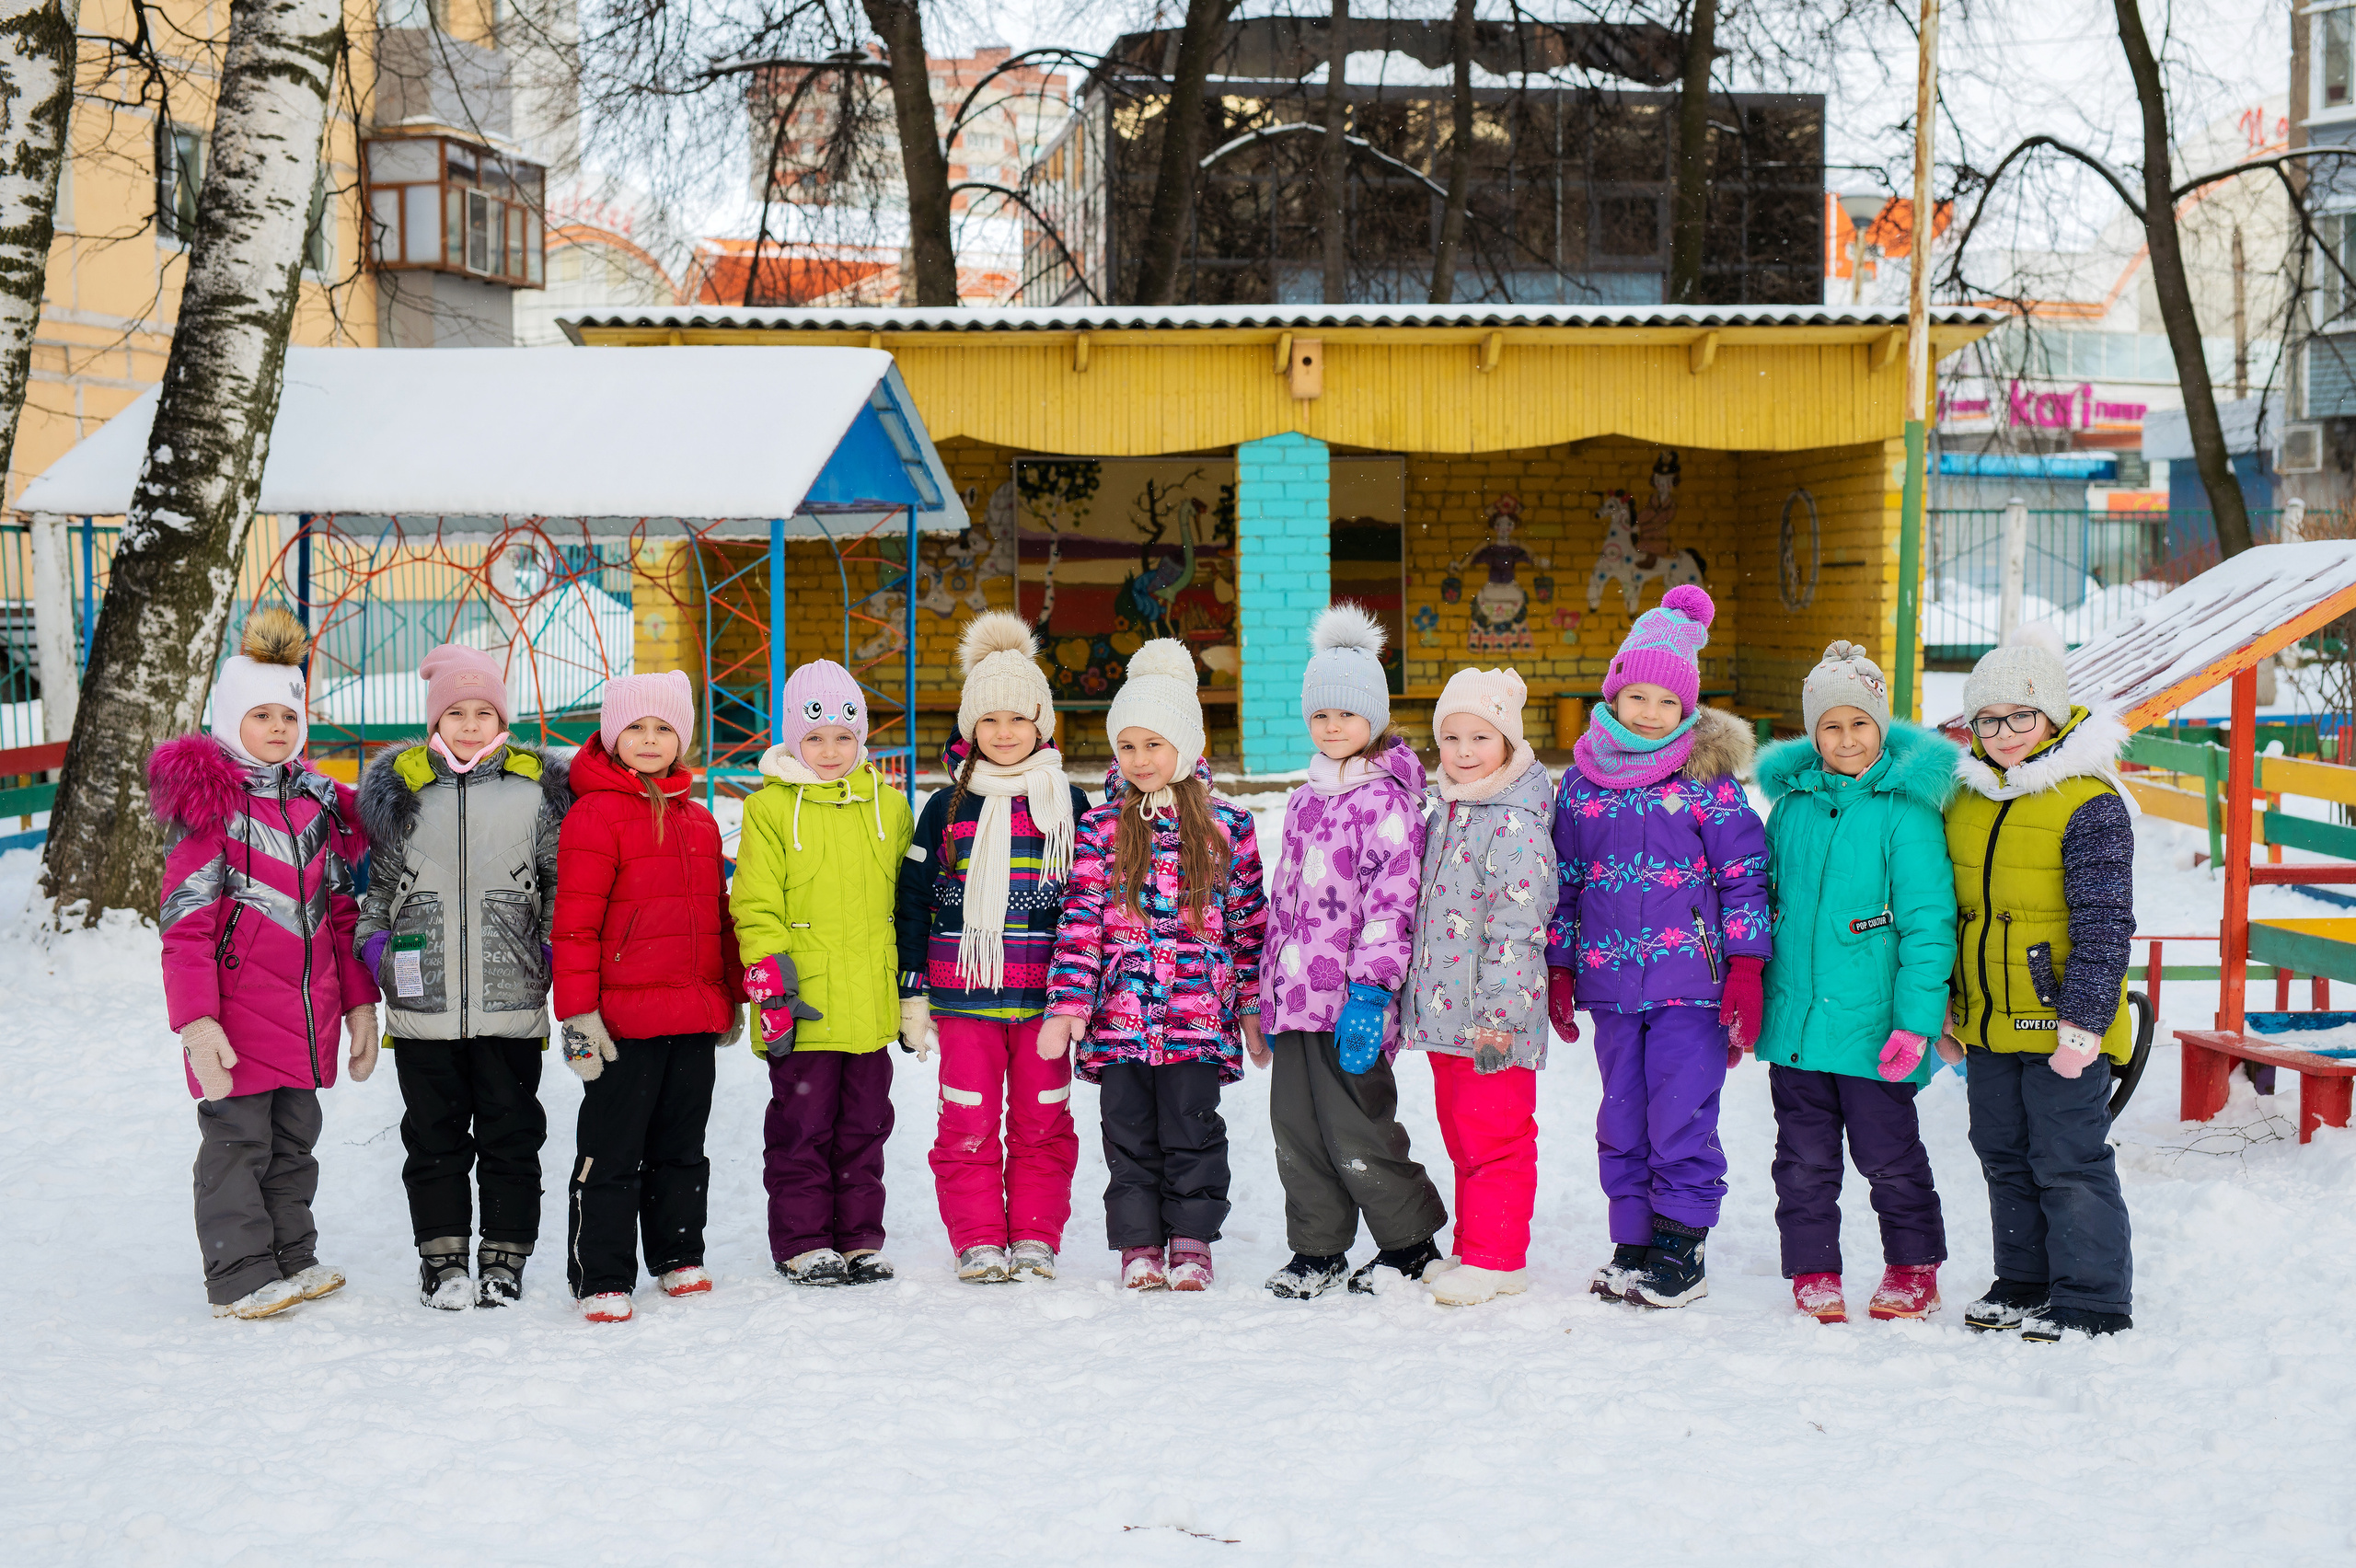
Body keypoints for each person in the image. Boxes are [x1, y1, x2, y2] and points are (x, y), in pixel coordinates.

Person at [147, 608, 379, 1320]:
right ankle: (240, 1272)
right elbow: (186, 925)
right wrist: (196, 1022)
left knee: (293, 1141)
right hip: (236, 1020)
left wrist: (361, 1004)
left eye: (288, 714)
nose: (278, 728)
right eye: (261, 715)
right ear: (228, 722)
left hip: (307, 1017)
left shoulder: (314, 809)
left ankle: (292, 1256)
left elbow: (340, 916)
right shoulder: (212, 809)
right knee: (236, 1143)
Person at [1547, 583, 1769, 1310]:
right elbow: (1568, 883)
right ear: (1613, 694)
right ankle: (1633, 1239)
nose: (1648, 713)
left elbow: (1744, 877)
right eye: (1636, 695)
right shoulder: (1580, 786)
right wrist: (1559, 963)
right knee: (1622, 1115)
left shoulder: (1708, 784)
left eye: (1666, 703)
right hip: (1612, 984)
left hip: (1692, 984)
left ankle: (1682, 1244)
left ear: (1688, 711)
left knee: (1681, 1115)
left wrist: (1745, 968)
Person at [1040, 639, 1267, 1291]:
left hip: (1198, 1019)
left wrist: (1250, 1009)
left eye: (1154, 744)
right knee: (1129, 1137)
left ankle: (1192, 1242)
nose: (1140, 760)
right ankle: (1139, 1245)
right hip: (1120, 1020)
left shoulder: (1228, 825)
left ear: (1189, 747)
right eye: (1128, 746)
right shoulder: (1102, 829)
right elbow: (1081, 919)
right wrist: (1069, 1005)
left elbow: (1250, 922)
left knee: (1192, 1133)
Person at [355, 644, 570, 1309]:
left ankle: (504, 1258)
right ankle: (442, 1260)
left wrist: (554, 949)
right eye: (456, 712)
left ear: (501, 719)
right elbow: (377, 892)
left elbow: (561, 886)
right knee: (433, 1139)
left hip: (511, 1002)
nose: (471, 724)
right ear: (434, 721)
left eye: (483, 712)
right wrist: (379, 953)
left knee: (512, 1136)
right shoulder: (406, 795)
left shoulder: (533, 793)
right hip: (424, 1005)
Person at [1754, 641, 1958, 1323]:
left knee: (1889, 1157)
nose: (1846, 739)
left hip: (1876, 1027)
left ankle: (1913, 1265)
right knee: (1803, 1160)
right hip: (1799, 1027)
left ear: (1881, 726)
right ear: (1812, 733)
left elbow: (1929, 926)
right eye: (1831, 725)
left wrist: (1917, 1022)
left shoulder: (1906, 811)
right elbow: (1768, 905)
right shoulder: (1792, 808)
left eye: (1859, 723)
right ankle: (1813, 1268)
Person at [1946, 625, 2136, 1342]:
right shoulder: (1965, 800)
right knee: (2001, 1152)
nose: (2004, 733)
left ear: (2053, 716)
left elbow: (2105, 920)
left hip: (2064, 1024)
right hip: (1987, 1021)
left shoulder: (2087, 801)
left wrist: (2084, 1022)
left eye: (2020, 716)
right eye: (1988, 720)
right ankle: (2023, 1281)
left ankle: (2089, 1297)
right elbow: (1948, 913)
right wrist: (1946, 1009)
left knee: (2068, 1158)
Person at [895, 614, 1088, 1283]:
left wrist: (1090, 993)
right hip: (963, 1001)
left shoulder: (1071, 802)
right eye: (989, 720)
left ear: (1043, 724)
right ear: (968, 729)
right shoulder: (948, 806)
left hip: (1045, 1004)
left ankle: (1036, 1236)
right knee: (967, 1124)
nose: (1005, 734)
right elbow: (914, 899)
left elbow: (1090, 905)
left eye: (1019, 719)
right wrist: (912, 989)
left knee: (1043, 1125)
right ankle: (977, 1236)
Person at [1261, 605, 1447, 1299]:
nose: (1332, 727)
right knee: (1297, 1133)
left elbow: (1391, 904)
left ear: (1375, 716)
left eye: (1346, 714)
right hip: (1295, 1000)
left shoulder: (1387, 803)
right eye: (1320, 716)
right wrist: (1270, 992)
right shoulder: (1307, 800)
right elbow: (1285, 903)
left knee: (1356, 1127)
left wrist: (1372, 992)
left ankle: (1410, 1242)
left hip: (1350, 1004)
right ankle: (1318, 1248)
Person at [552, 673, 746, 1323]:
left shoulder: (697, 820)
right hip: (621, 1022)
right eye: (635, 727)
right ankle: (602, 1272)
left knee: (681, 1142)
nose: (649, 739)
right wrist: (578, 1015)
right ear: (612, 734)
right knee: (613, 1148)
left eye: (664, 728)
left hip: (692, 1013)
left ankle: (676, 1252)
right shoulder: (594, 814)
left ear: (682, 739)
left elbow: (717, 916)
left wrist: (730, 994)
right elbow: (575, 924)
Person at [733, 659, 916, 1287]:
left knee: (865, 1126)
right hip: (802, 1002)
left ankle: (860, 1238)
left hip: (868, 1002)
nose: (831, 751)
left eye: (844, 736)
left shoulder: (889, 810)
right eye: (815, 738)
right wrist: (772, 988)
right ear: (793, 740)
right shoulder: (768, 811)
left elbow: (908, 902)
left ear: (861, 738)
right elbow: (755, 906)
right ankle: (804, 1241)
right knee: (802, 1128)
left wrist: (910, 988)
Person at [1400, 664, 1557, 1308]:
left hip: (1492, 1019)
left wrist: (1500, 1014)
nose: (1464, 753)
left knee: (1497, 1135)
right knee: (1464, 1134)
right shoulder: (1451, 811)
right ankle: (1474, 1246)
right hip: (1446, 1014)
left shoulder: (1514, 822)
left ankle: (1500, 1258)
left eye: (1481, 738)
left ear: (1509, 744)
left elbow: (1518, 929)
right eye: (1452, 739)